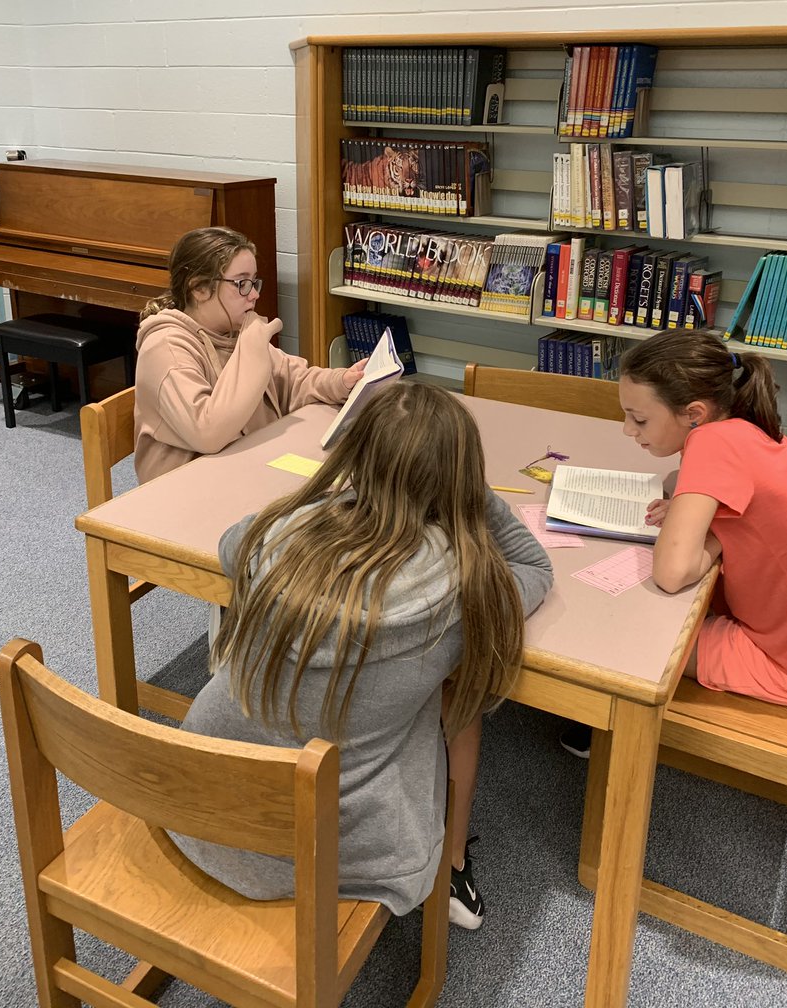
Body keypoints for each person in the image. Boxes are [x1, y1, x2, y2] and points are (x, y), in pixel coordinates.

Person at [168, 381, 553, 928]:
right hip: (327, 857)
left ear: (354, 458)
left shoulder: (278, 538)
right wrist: (467, 489)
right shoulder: (465, 588)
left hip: (196, 809)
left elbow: (234, 539)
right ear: (459, 483)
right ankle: (453, 867)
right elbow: (535, 566)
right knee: (444, 705)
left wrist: (341, 501)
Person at [561, 330, 787, 760]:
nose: (627, 430)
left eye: (639, 419)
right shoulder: (743, 425)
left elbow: (672, 572)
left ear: (694, 413)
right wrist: (695, 511)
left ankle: (610, 733)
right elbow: (679, 483)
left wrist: (714, 536)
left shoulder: (713, 443)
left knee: (629, 629)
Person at [134, 225, 367, 483]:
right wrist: (253, 352)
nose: (254, 294)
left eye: (254, 281)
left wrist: (342, 381)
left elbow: (293, 380)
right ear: (199, 288)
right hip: (188, 489)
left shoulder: (233, 331)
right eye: (242, 284)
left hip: (245, 469)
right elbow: (207, 431)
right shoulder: (165, 348)